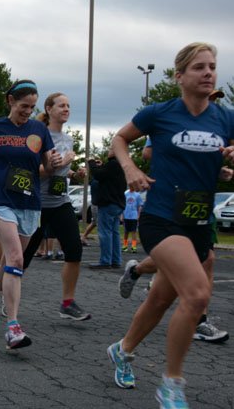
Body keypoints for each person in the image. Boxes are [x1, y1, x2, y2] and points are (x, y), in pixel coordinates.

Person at [106, 42, 234, 408]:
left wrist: (228, 163)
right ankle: (171, 385)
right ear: (180, 76)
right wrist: (130, 168)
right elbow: (119, 138)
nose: (208, 73)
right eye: (199, 68)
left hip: (197, 222)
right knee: (196, 294)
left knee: (162, 299)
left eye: (212, 66)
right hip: (162, 218)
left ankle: (123, 349)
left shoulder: (225, 118)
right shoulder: (159, 114)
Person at [0, 79, 59, 348]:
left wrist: (55, 163)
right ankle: (13, 328)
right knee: (17, 259)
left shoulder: (39, 130)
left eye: (31, 107)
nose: (27, 111)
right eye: (23, 106)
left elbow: (47, 169)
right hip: (0, 200)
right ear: (10, 101)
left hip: (29, 203)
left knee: (9, 262)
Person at [22, 92, 91, 321]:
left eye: (69, 106)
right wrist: (62, 163)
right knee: (23, 257)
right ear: (49, 109)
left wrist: (74, 172)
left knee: (74, 251)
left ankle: (67, 303)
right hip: (37, 204)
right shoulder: (37, 136)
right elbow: (32, 171)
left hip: (60, 202)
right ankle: (4, 294)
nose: (66, 109)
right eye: (61, 105)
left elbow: (61, 171)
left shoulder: (68, 140)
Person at [87, 152, 126, 269]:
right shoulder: (120, 165)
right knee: (114, 232)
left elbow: (98, 175)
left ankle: (105, 261)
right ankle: (116, 260)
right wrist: (101, 166)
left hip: (108, 204)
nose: (108, 151)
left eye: (110, 148)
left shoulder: (113, 164)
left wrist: (91, 163)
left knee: (105, 233)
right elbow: (105, 175)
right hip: (118, 204)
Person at [121, 189, 143, 253]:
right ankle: (125, 246)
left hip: (134, 216)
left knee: (134, 231)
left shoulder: (137, 195)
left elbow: (140, 206)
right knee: (126, 231)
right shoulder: (125, 193)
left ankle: (134, 247)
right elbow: (122, 204)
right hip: (126, 215)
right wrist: (122, 215)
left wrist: (138, 215)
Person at [80, 178, 99, 245]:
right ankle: (103, 240)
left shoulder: (94, 181)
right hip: (97, 205)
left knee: (94, 222)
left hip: (95, 204)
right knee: (98, 223)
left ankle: (83, 237)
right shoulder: (96, 182)